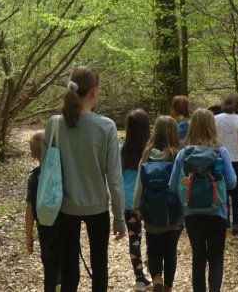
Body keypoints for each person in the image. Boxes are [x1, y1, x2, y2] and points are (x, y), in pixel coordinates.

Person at [44, 66, 126, 292]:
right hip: (97, 207)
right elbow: (115, 178)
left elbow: (48, 170)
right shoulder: (106, 126)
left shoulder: (53, 124)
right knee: (99, 267)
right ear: (94, 92)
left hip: (64, 208)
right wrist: (119, 218)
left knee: (69, 270)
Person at [169, 109, 237, 292]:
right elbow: (232, 183)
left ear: (192, 127)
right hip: (217, 212)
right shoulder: (221, 152)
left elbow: (173, 186)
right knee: (216, 257)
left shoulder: (184, 154)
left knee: (198, 257)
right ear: (212, 127)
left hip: (192, 213)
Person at [133, 116, 183, 292]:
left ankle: (156, 278)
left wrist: (137, 207)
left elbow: (140, 184)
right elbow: (183, 184)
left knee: (153, 249)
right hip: (174, 212)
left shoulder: (147, 154)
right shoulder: (178, 154)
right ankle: (168, 287)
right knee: (171, 251)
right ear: (174, 132)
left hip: (151, 210)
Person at [25, 131, 61, 291]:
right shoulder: (60, 173)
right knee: (67, 263)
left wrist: (29, 235)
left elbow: (29, 209)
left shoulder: (33, 177)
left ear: (33, 155)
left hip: (45, 228)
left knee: (49, 266)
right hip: (64, 224)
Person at [121, 109, 151, 291]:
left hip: (129, 202)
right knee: (153, 236)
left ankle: (140, 278)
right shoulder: (151, 150)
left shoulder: (122, 150)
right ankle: (153, 267)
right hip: (148, 200)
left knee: (134, 240)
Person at [214, 94, 238, 235]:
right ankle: (237, 225)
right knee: (236, 192)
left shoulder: (215, 119)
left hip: (219, 159)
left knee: (221, 189)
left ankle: (223, 221)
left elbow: (212, 139)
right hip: (235, 160)